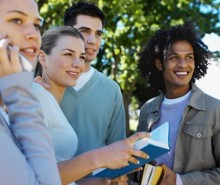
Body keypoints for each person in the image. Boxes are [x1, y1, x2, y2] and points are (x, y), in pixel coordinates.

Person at [34, 26, 150, 185]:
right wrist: (101, 157)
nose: (77, 64)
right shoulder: (35, 97)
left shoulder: (49, 101)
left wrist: (105, 181)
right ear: (42, 57)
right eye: (68, 54)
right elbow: (30, 176)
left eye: (81, 57)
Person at [136, 22, 220, 185]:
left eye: (189, 57)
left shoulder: (215, 110)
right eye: (174, 57)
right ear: (159, 64)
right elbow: (139, 165)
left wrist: (179, 181)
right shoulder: (147, 110)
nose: (183, 65)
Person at [0, 0, 61, 184]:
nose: (33, 34)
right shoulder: (18, 95)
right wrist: (18, 92)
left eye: (36, 25)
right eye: (17, 20)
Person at [60, 1, 126, 156]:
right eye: (85, 31)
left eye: (98, 34)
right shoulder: (45, 84)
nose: (93, 40)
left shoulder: (112, 90)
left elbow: (117, 148)